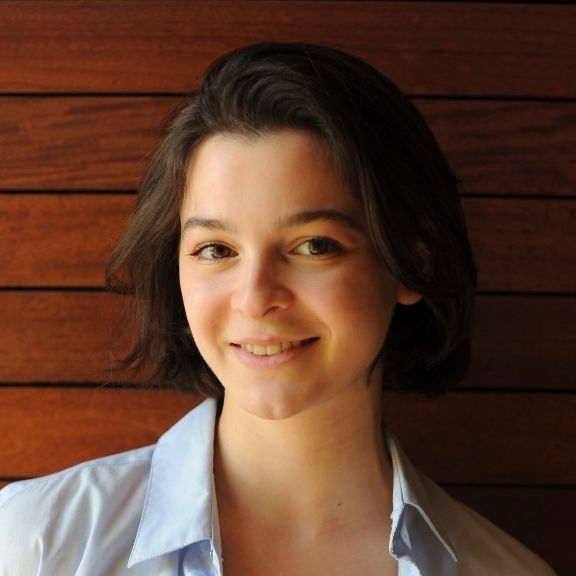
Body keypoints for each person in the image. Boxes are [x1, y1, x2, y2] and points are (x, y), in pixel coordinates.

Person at [0, 42, 556, 576]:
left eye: (314, 245)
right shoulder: (36, 542)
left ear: (412, 263)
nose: (254, 297)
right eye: (216, 250)